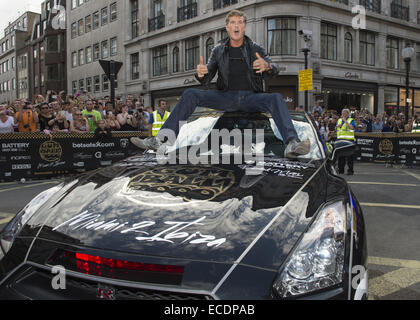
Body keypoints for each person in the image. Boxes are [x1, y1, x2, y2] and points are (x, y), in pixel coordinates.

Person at [130, 9, 309, 159]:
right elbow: (207, 77)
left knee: (276, 98)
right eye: (232, 22)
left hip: (251, 97)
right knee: (190, 94)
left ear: (244, 26)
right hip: (226, 97)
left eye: (240, 22)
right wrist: (201, 74)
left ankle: (291, 143)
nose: (236, 25)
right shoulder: (218, 50)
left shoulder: (255, 48)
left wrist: (267, 65)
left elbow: (275, 68)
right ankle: (160, 140)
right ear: (227, 27)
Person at [336, 108, 356, 175]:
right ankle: (341, 170)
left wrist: (345, 121)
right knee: (341, 157)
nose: (343, 114)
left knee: (349, 156)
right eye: (342, 113)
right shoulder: (339, 120)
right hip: (340, 140)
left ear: (347, 114)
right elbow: (337, 129)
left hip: (348, 140)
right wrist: (337, 127)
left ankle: (350, 171)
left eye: (344, 113)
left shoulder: (351, 120)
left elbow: (352, 128)